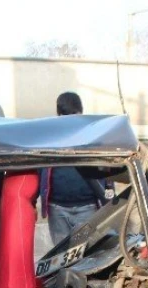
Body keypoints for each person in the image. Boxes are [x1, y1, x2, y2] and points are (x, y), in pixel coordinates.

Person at [40, 93, 112, 243]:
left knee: (87, 253)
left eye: (75, 117)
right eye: (67, 118)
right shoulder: (49, 139)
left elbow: (107, 170)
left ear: (81, 113)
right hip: (57, 209)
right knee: (60, 254)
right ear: (59, 115)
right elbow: (38, 169)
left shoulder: (93, 139)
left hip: (88, 208)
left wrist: (109, 198)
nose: (71, 123)